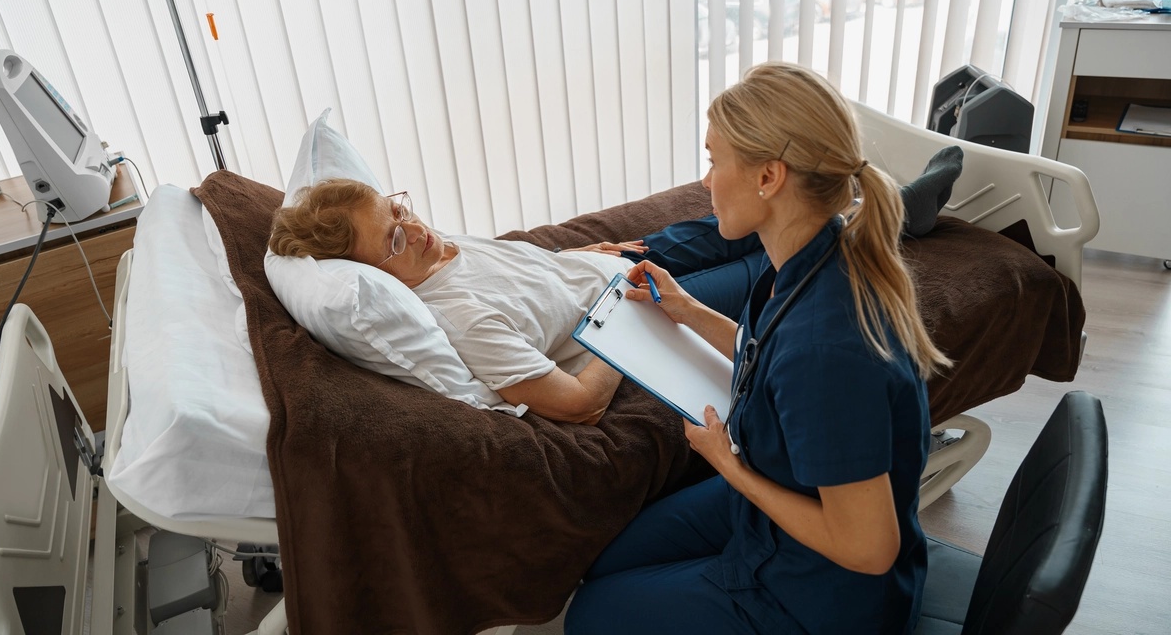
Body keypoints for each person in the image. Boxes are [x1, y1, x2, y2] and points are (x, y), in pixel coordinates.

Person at [564, 62, 951, 635]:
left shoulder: (828, 352)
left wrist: (727, 464)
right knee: (604, 563)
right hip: (776, 506)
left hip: (820, 598)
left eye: (714, 160)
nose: (705, 181)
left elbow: (869, 550)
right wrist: (688, 312)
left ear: (769, 177)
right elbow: (766, 348)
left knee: (592, 617)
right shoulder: (811, 258)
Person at [267, 179, 767, 425]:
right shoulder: (463, 323)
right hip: (645, 304)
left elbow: (516, 279)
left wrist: (567, 256)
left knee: (746, 218)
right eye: (393, 239)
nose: (417, 230)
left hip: (618, 264)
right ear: (370, 271)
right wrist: (626, 320)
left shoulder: (429, 251)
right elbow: (579, 405)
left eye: (398, 210)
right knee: (766, 264)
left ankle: (838, 202)